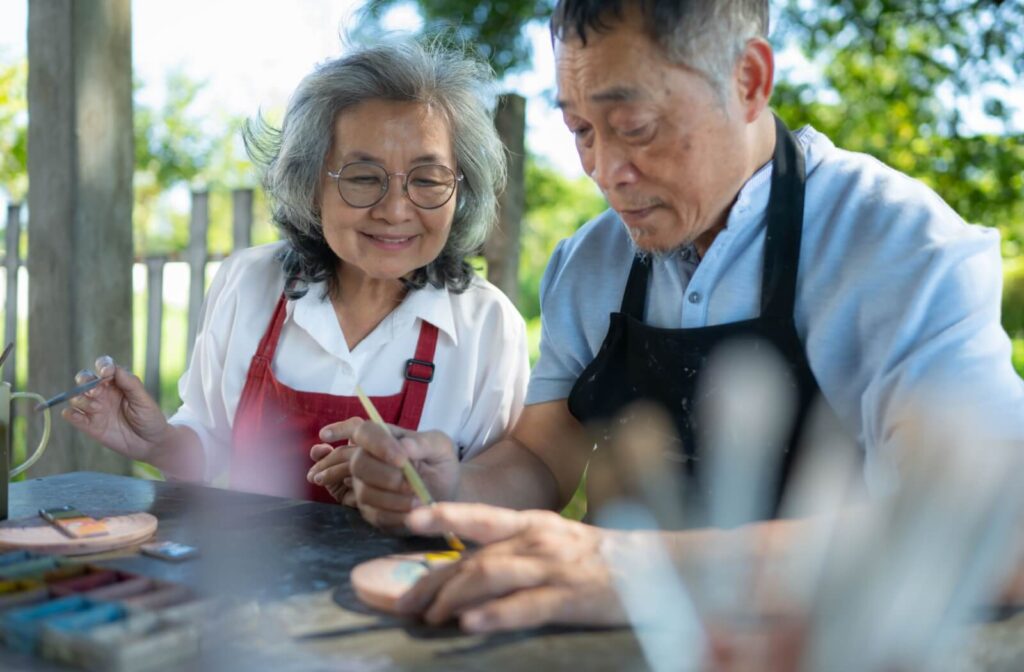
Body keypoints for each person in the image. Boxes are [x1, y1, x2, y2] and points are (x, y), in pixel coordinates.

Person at [343, 0, 1024, 630]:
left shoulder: (899, 247)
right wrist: (450, 484)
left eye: (636, 128)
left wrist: (640, 569)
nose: (605, 171)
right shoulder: (589, 263)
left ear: (750, 79)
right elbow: (541, 454)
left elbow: (996, 531)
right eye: (580, 129)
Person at [62, 40, 529, 504]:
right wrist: (157, 443)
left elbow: (492, 501)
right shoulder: (249, 284)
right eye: (363, 177)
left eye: (428, 180)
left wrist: (423, 493)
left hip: (412, 578)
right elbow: (208, 445)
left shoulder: (487, 326)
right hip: (251, 576)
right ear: (310, 186)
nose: (394, 209)